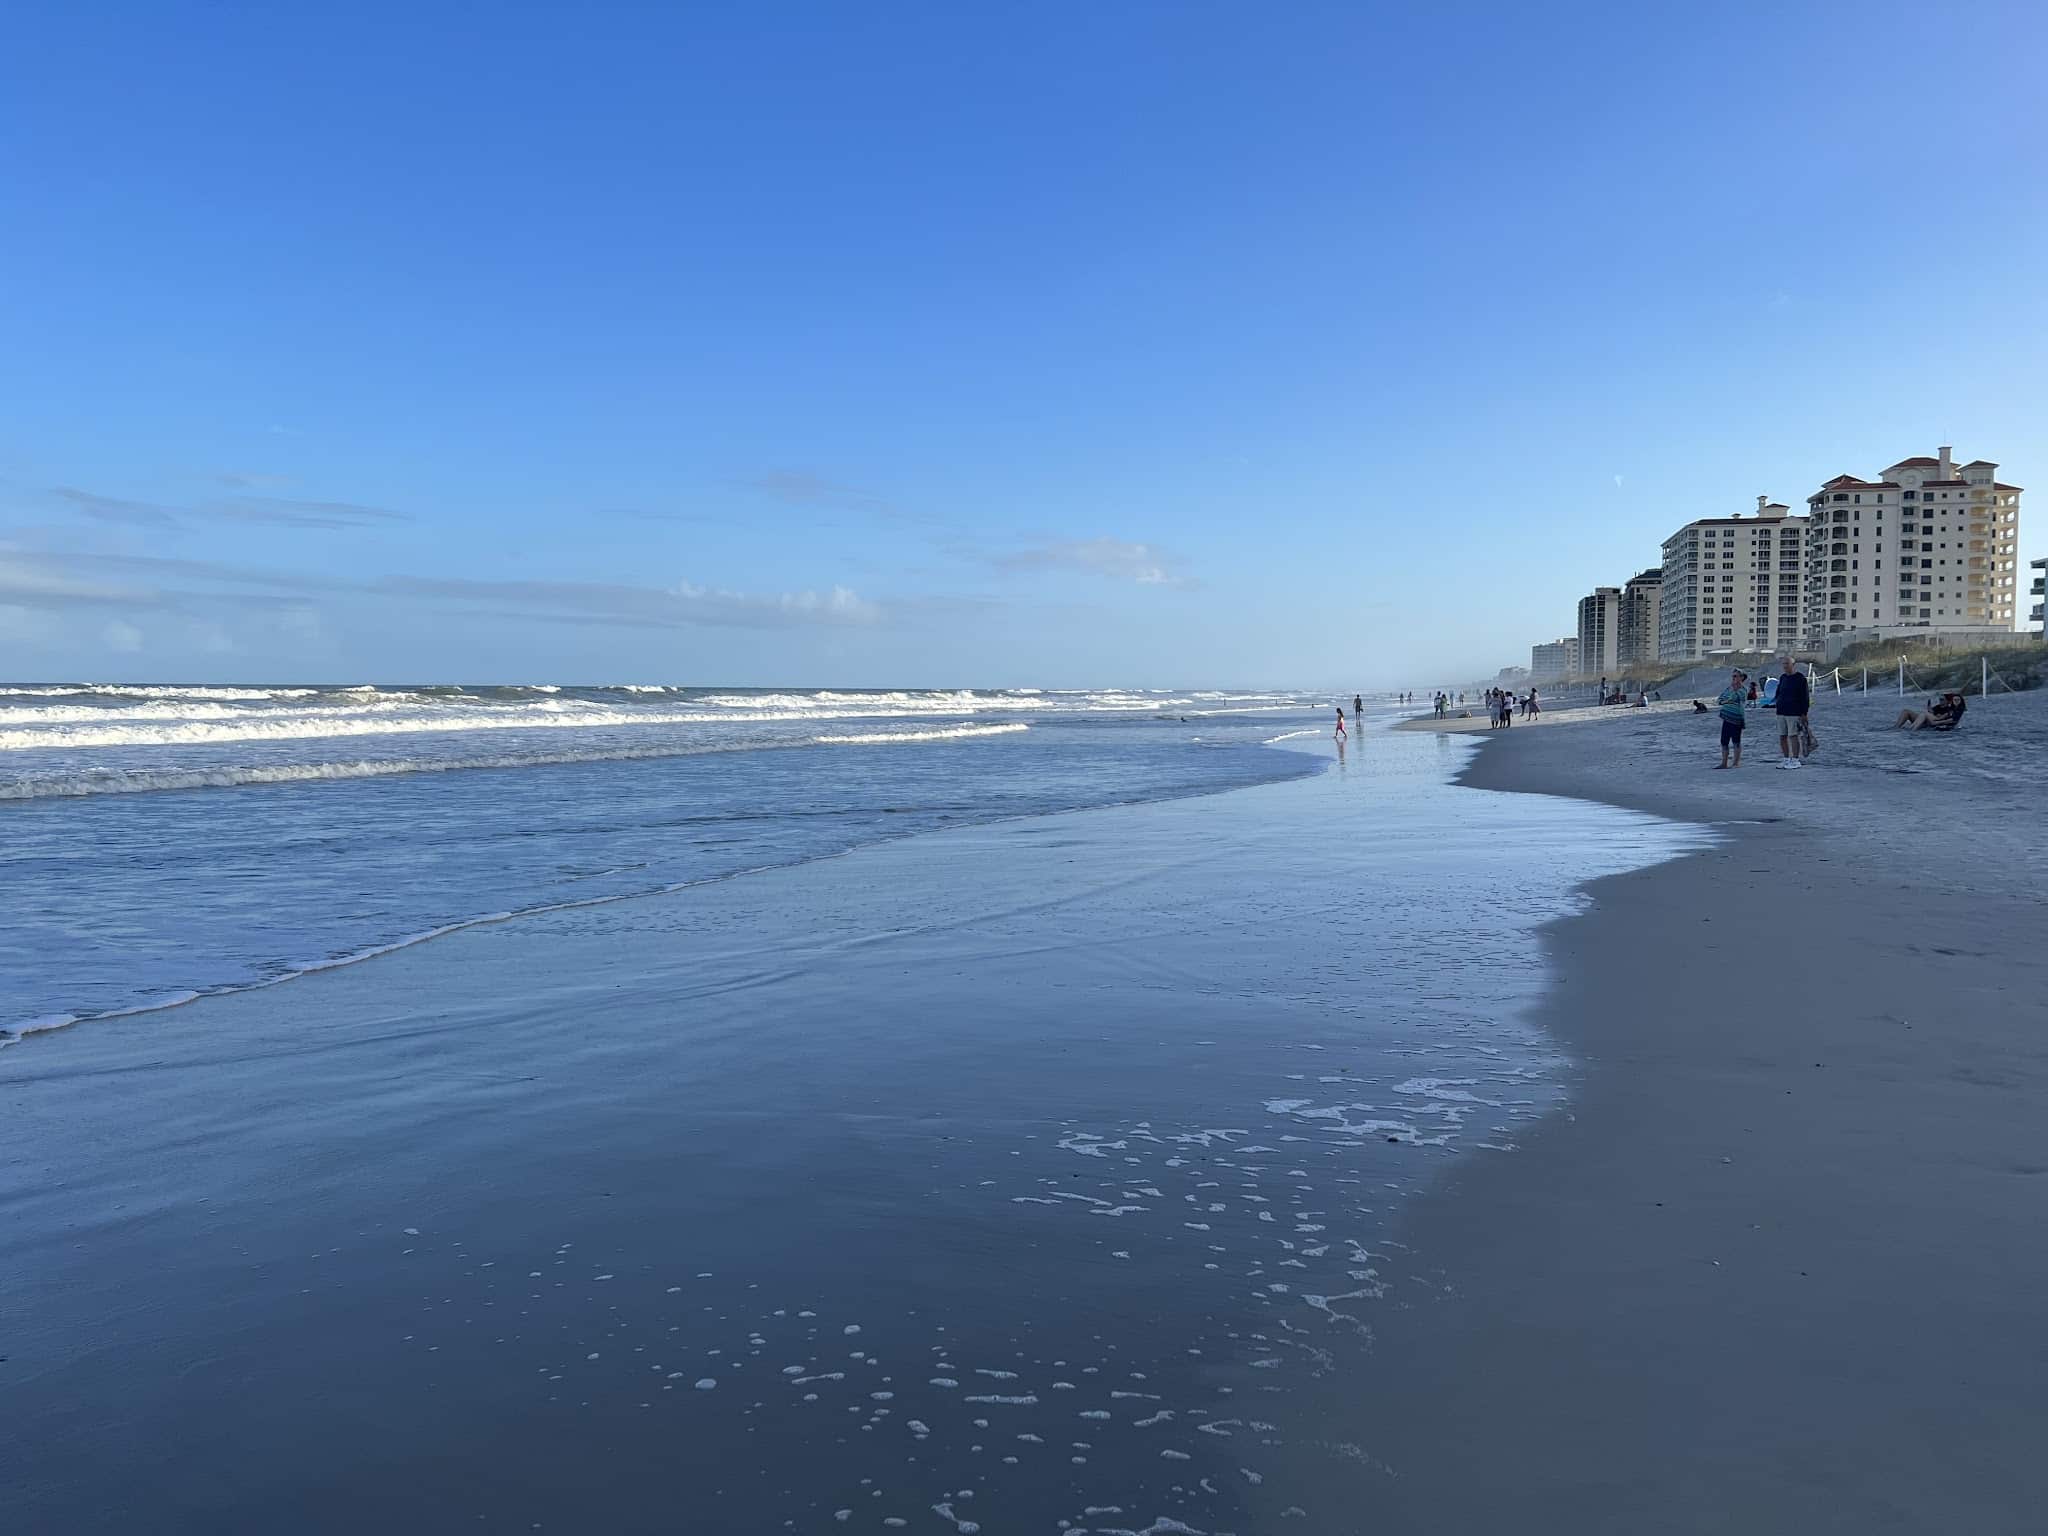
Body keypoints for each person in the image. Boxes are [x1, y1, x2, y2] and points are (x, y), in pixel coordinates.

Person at [1773, 656, 1811, 770]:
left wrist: (1804, 713)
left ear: (1793, 665)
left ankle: (1795, 759)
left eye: (1787, 664)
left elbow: (1805, 697)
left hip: (1794, 712)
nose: (1785, 666)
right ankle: (1786, 759)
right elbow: (1778, 693)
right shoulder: (1783, 677)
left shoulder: (1800, 679)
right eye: (1783, 664)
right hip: (1781, 711)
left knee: (1793, 736)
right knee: (1782, 736)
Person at [1714, 669, 1748, 769]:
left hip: (1736, 718)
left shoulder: (1743, 689)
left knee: (1736, 741)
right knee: (1724, 741)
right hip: (1726, 718)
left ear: (1741, 677)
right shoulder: (1728, 688)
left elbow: (1736, 697)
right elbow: (1720, 700)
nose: (1734, 678)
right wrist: (1727, 700)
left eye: (1736, 676)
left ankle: (1736, 763)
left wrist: (1730, 697)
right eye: (1733, 676)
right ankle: (1724, 763)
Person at [1895, 693, 1966, 732]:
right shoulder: (1938, 706)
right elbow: (1931, 711)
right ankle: (1896, 728)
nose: (1940, 701)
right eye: (1940, 699)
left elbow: (1948, 718)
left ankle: (1912, 729)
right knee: (1906, 711)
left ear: (1948, 701)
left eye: (1942, 700)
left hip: (1932, 722)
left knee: (1924, 714)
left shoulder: (1949, 708)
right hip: (1928, 720)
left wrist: (1937, 720)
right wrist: (1929, 708)